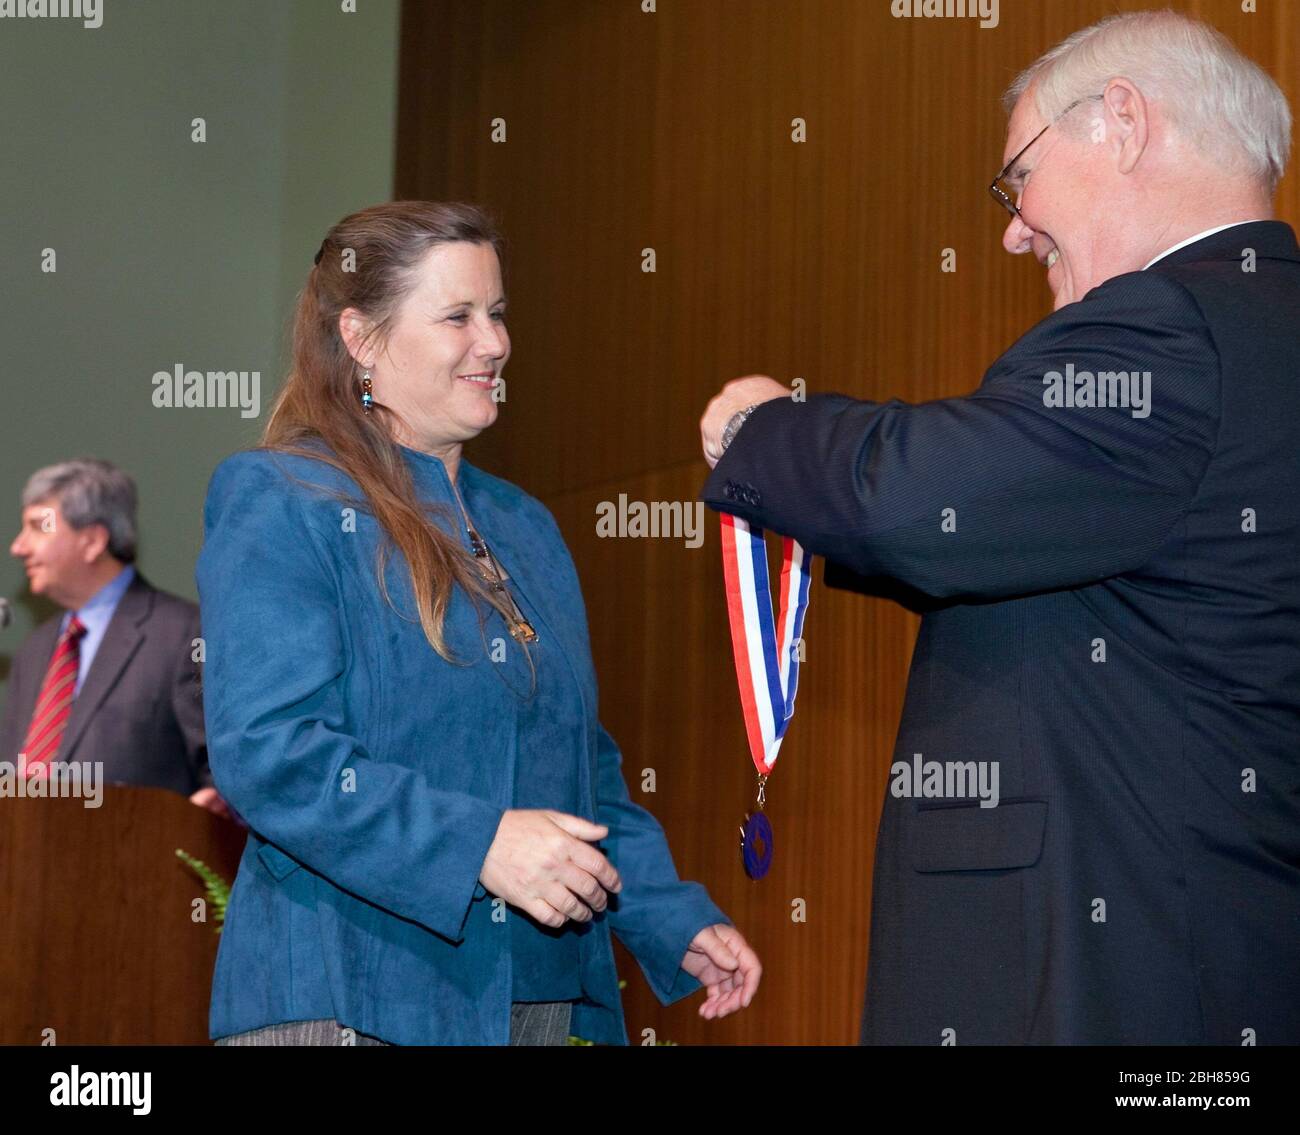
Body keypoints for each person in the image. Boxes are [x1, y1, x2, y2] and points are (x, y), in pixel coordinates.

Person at [699, 10, 1298, 1044]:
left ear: (1120, 122)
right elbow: (1040, 538)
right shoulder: (1259, 333)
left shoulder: (1170, 326)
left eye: (1015, 177)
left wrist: (764, 431)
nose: (1012, 229)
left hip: (1115, 970)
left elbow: (913, 500)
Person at [200, 201, 761, 1046]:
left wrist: (666, 915)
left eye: (496, 313)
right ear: (362, 336)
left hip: (531, 1000)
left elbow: (580, 767)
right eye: (458, 315)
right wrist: (476, 846)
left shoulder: (526, 525)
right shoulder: (280, 496)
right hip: (351, 994)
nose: (494, 342)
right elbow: (273, 755)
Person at [1, 458, 222, 810]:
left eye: (36, 527)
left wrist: (214, 809)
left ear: (92, 541)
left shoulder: (183, 634)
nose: (18, 546)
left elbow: (222, 774)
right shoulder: (34, 650)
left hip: (140, 858)